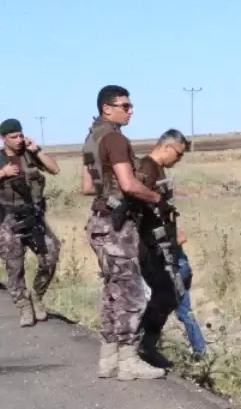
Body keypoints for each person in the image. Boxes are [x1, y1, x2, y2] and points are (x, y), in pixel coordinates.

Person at [80, 85, 167, 380]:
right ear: (107, 107)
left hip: (99, 222)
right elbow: (129, 185)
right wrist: (156, 198)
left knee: (112, 292)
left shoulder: (92, 137)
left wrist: (109, 191)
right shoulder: (115, 138)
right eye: (125, 106)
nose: (130, 111)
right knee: (132, 294)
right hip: (117, 226)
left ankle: (109, 358)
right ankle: (128, 360)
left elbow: (87, 187)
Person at [135, 129, 205, 365]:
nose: (179, 159)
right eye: (179, 154)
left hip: (165, 244)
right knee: (166, 295)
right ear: (166, 147)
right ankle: (142, 344)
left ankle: (146, 345)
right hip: (152, 248)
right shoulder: (146, 168)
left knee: (171, 294)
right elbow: (138, 209)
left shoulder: (158, 169)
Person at [0, 118, 62, 326]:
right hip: (8, 218)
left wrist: (37, 150)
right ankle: (23, 305)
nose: (18, 140)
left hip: (34, 216)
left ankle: (36, 294)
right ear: (3, 139)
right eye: (13, 137)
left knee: (51, 254)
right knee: (14, 264)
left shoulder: (29, 155)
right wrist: (3, 173)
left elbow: (55, 170)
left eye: (20, 135)